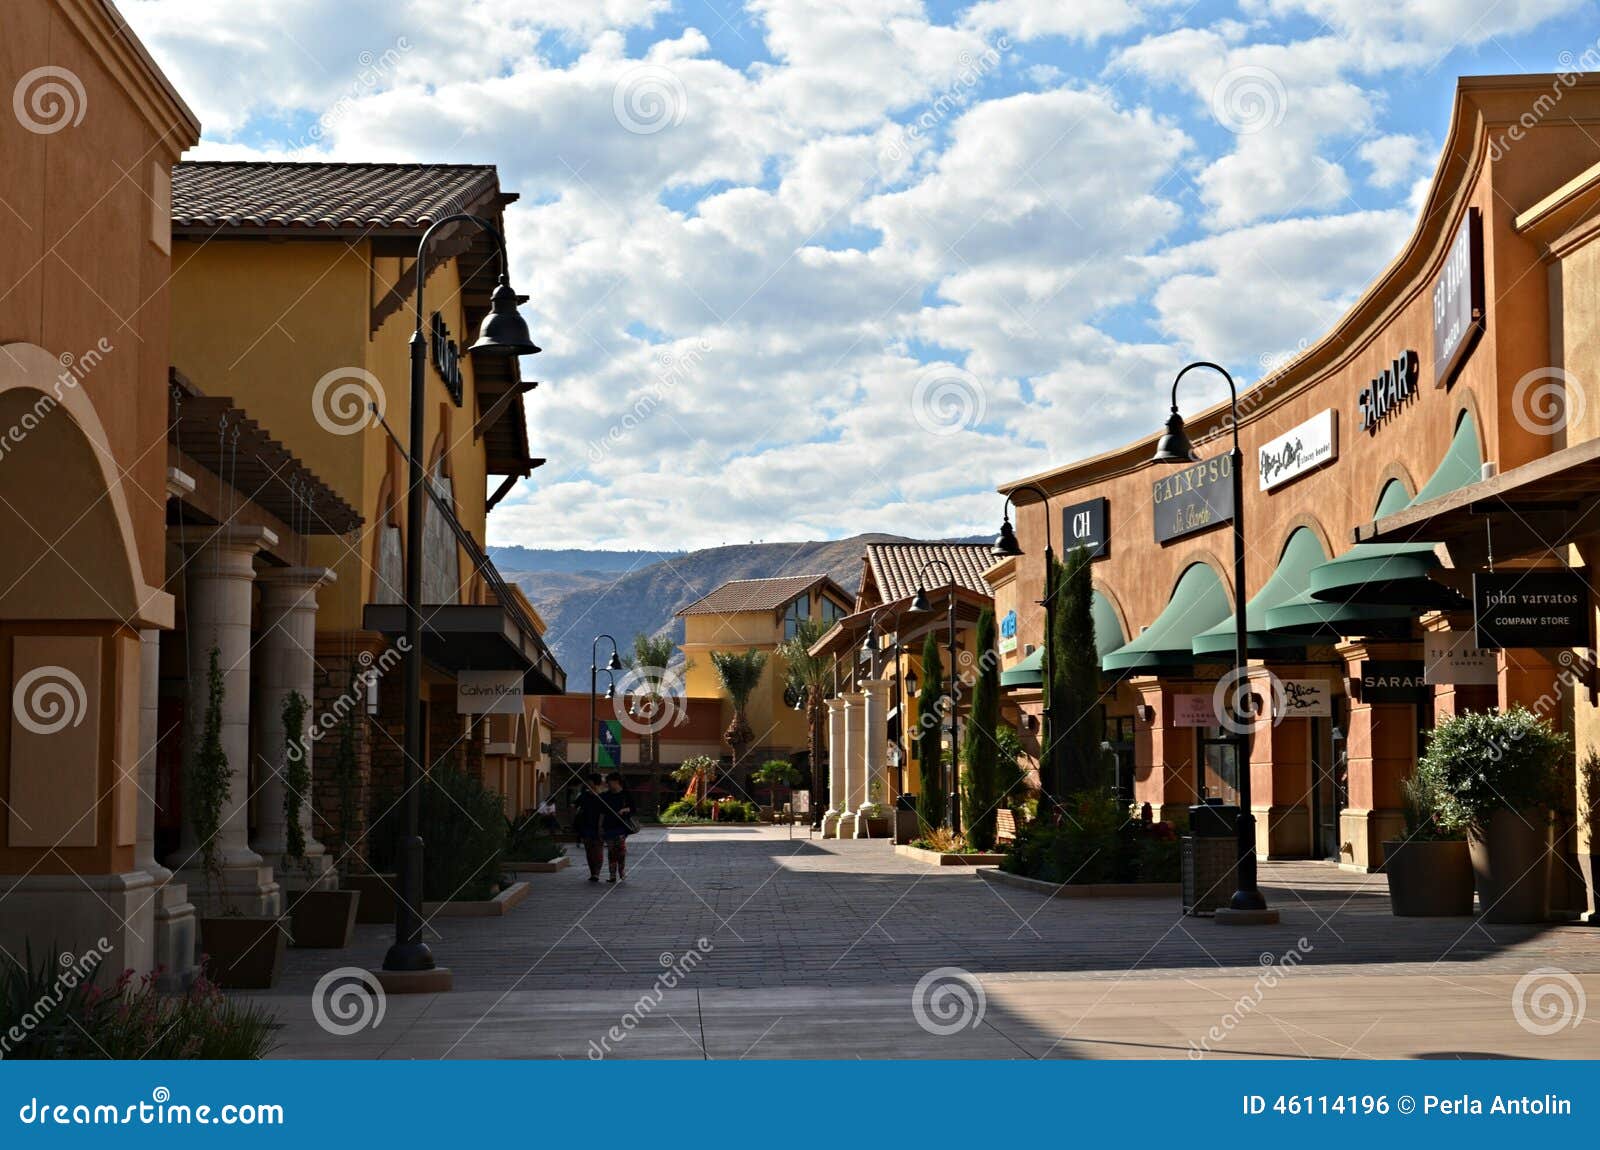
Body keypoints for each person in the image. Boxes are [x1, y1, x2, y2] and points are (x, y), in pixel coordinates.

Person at [600, 771, 636, 884]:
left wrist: (624, 810)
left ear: (616, 782)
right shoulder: (606, 795)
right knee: (611, 851)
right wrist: (600, 827)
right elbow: (602, 813)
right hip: (609, 826)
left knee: (620, 850)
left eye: (609, 782)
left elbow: (633, 809)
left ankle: (621, 871)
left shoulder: (626, 794)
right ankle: (612, 875)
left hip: (621, 826)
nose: (607, 785)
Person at [573, 773, 607, 883]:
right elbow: (575, 806)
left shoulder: (603, 796)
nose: (588, 783)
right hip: (586, 826)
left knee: (597, 850)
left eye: (589, 781)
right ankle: (593, 872)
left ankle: (596, 873)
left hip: (599, 826)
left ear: (593, 782)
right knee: (589, 851)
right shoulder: (584, 795)